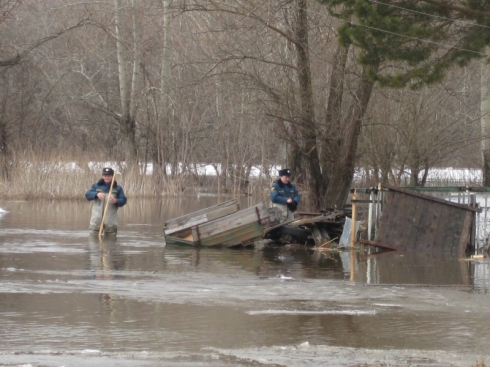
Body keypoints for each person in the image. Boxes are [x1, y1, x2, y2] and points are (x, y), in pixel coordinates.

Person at [85, 167, 127, 236]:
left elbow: (123, 200)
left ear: (112, 176)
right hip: (96, 219)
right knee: (94, 240)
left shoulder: (117, 188)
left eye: (109, 176)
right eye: (105, 176)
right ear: (102, 176)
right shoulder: (96, 186)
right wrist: (96, 194)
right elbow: (87, 195)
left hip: (110, 219)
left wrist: (116, 201)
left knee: (110, 241)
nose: (107, 177)